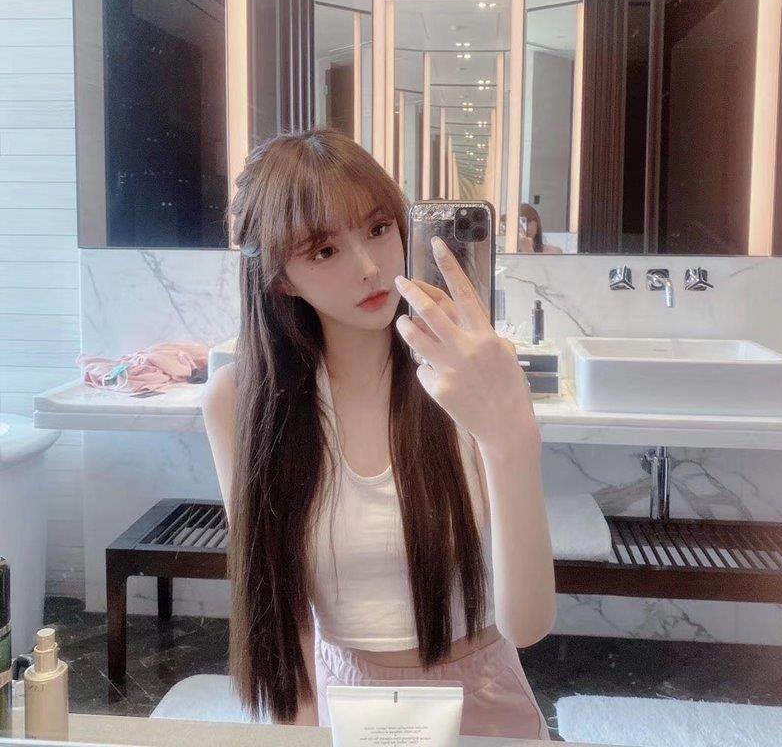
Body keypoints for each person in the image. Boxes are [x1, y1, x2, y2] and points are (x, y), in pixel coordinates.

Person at [202, 127, 555, 738]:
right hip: (347, 705)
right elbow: (284, 622)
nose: (369, 268)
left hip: (483, 697)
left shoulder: (463, 378)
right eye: (323, 251)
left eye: (378, 228)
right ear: (281, 278)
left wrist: (509, 438)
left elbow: (527, 625)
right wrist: (308, 733)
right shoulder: (241, 401)